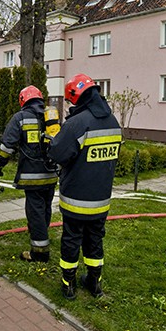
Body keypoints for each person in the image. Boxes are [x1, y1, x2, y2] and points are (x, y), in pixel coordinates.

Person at [48, 74, 122, 299]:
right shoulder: (113, 122)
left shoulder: (77, 123)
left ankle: (68, 285)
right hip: (101, 199)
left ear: (76, 97)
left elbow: (57, 154)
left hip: (76, 199)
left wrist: (52, 139)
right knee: (95, 239)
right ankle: (94, 283)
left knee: (71, 239)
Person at [0, 86, 59, 263]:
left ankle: (40, 253)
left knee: (35, 212)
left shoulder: (20, 118)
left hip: (32, 177)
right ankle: (42, 234)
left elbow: (7, 147)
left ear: (23, 100)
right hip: (51, 174)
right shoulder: (49, 117)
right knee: (45, 207)